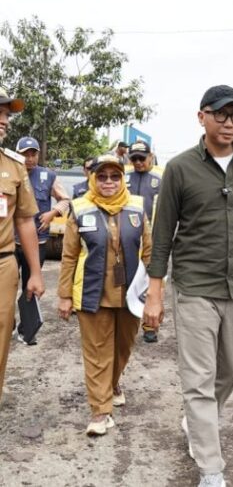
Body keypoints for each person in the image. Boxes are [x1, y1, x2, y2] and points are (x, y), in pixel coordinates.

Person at [143, 84, 233, 487]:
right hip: (195, 286)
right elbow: (162, 233)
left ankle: (197, 421)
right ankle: (211, 471)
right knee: (198, 378)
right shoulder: (180, 168)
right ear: (202, 117)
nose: (229, 123)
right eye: (220, 114)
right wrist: (155, 291)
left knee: (231, 371)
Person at [57, 154, 151, 436]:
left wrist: (152, 293)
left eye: (114, 176)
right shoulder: (80, 208)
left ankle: (112, 383)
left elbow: (149, 251)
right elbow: (69, 256)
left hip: (130, 293)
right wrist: (64, 295)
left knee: (123, 348)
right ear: (92, 179)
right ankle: (100, 411)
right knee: (98, 352)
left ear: (122, 179)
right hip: (92, 292)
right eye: (102, 176)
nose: (108, 182)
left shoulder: (137, 207)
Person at [0, 87, 45, 403]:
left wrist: (36, 273)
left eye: (6, 114)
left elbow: (26, 220)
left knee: (3, 329)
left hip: (3, 262)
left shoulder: (14, 165)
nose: (4, 120)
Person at [13, 137, 69, 345]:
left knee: (31, 286)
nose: (29, 158)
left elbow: (65, 199)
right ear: (17, 154)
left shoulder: (48, 176)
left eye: (33, 154)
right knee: (7, 285)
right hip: (10, 243)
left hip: (38, 243)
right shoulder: (8, 173)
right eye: (25, 154)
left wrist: (53, 213)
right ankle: (7, 323)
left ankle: (26, 329)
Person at [125, 141, 164, 342]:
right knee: (128, 279)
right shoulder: (123, 176)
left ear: (150, 156)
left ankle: (150, 326)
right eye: (134, 159)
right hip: (129, 237)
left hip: (155, 238)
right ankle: (127, 321)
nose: (138, 162)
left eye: (142, 158)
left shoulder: (162, 177)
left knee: (153, 281)